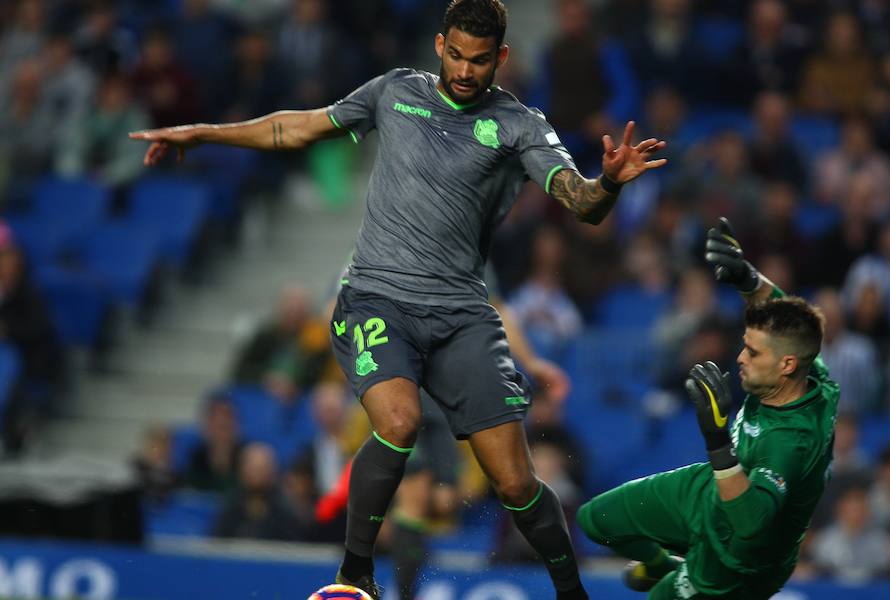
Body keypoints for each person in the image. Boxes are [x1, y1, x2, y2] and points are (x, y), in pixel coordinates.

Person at [130, 1, 666, 597]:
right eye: (457, 55)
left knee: (515, 483)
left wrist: (610, 182)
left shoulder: (520, 126)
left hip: (462, 315)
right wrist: (204, 134)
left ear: (502, 58)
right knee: (399, 421)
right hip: (376, 299)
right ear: (440, 45)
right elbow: (300, 126)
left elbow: (582, 203)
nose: (465, 71)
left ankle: (572, 590)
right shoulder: (394, 92)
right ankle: (354, 575)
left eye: (480, 60)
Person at [576, 217, 839, 598]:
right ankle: (660, 564)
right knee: (596, 520)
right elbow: (788, 316)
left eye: (752, 351)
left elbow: (752, 525)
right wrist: (748, 279)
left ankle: (679, 574)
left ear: (786, 365)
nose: (740, 358)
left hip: (741, 554)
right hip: (710, 491)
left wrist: (717, 440)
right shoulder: (810, 370)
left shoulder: (790, 441)